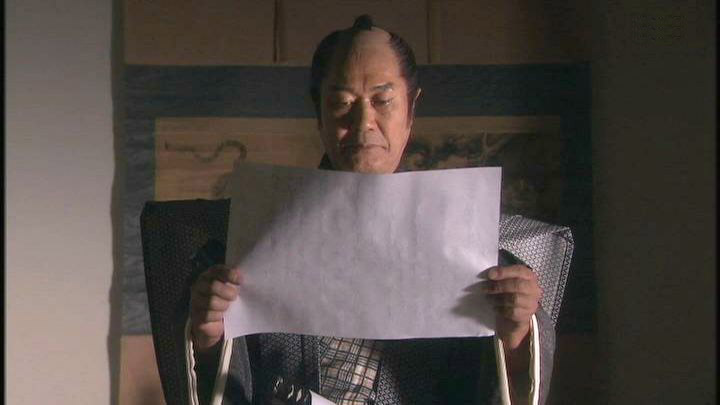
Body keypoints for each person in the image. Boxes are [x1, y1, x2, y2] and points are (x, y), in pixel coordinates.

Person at [187, 15, 551, 405]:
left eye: (382, 101)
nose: (363, 123)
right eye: (342, 102)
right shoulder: (251, 235)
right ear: (318, 112)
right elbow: (217, 374)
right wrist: (208, 336)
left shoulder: (470, 243)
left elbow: (495, 379)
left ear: (411, 109)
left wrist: (516, 331)